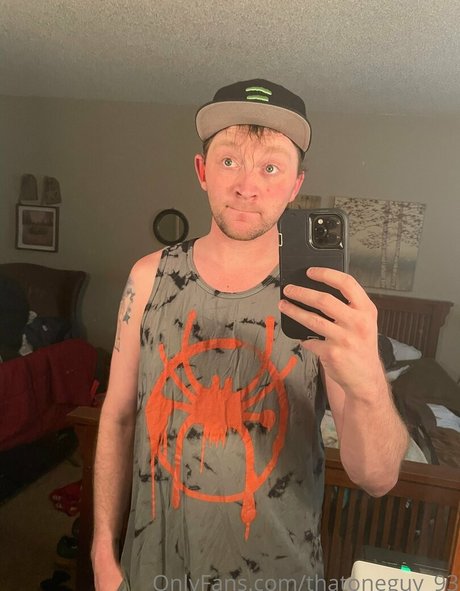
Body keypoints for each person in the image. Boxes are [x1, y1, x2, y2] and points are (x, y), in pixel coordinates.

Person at [92, 79, 409, 590]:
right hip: (151, 569)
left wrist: (370, 380)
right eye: (229, 161)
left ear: (296, 184)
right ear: (202, 171)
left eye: (270, 167)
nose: (247, 185)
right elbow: (118, 416)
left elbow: (377, 478)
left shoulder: (325, 302)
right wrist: (102, 548)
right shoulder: (148, 278)